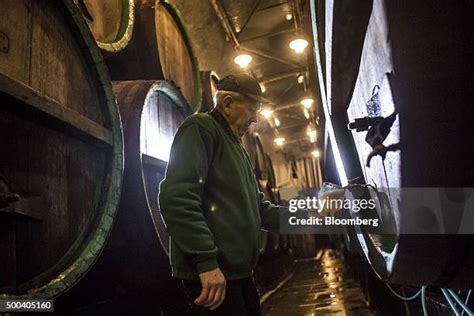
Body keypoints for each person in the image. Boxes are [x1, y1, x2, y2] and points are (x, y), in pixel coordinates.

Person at [158, 73, 284, 315]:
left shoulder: (237, 147)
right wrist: (206, 262)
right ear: (227, 103)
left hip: (239, 275)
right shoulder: (200, 128)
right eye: (252, 109)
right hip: (213, 278)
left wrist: (310, 216)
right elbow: (177, 199)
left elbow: (260, 211)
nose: (255, 118)